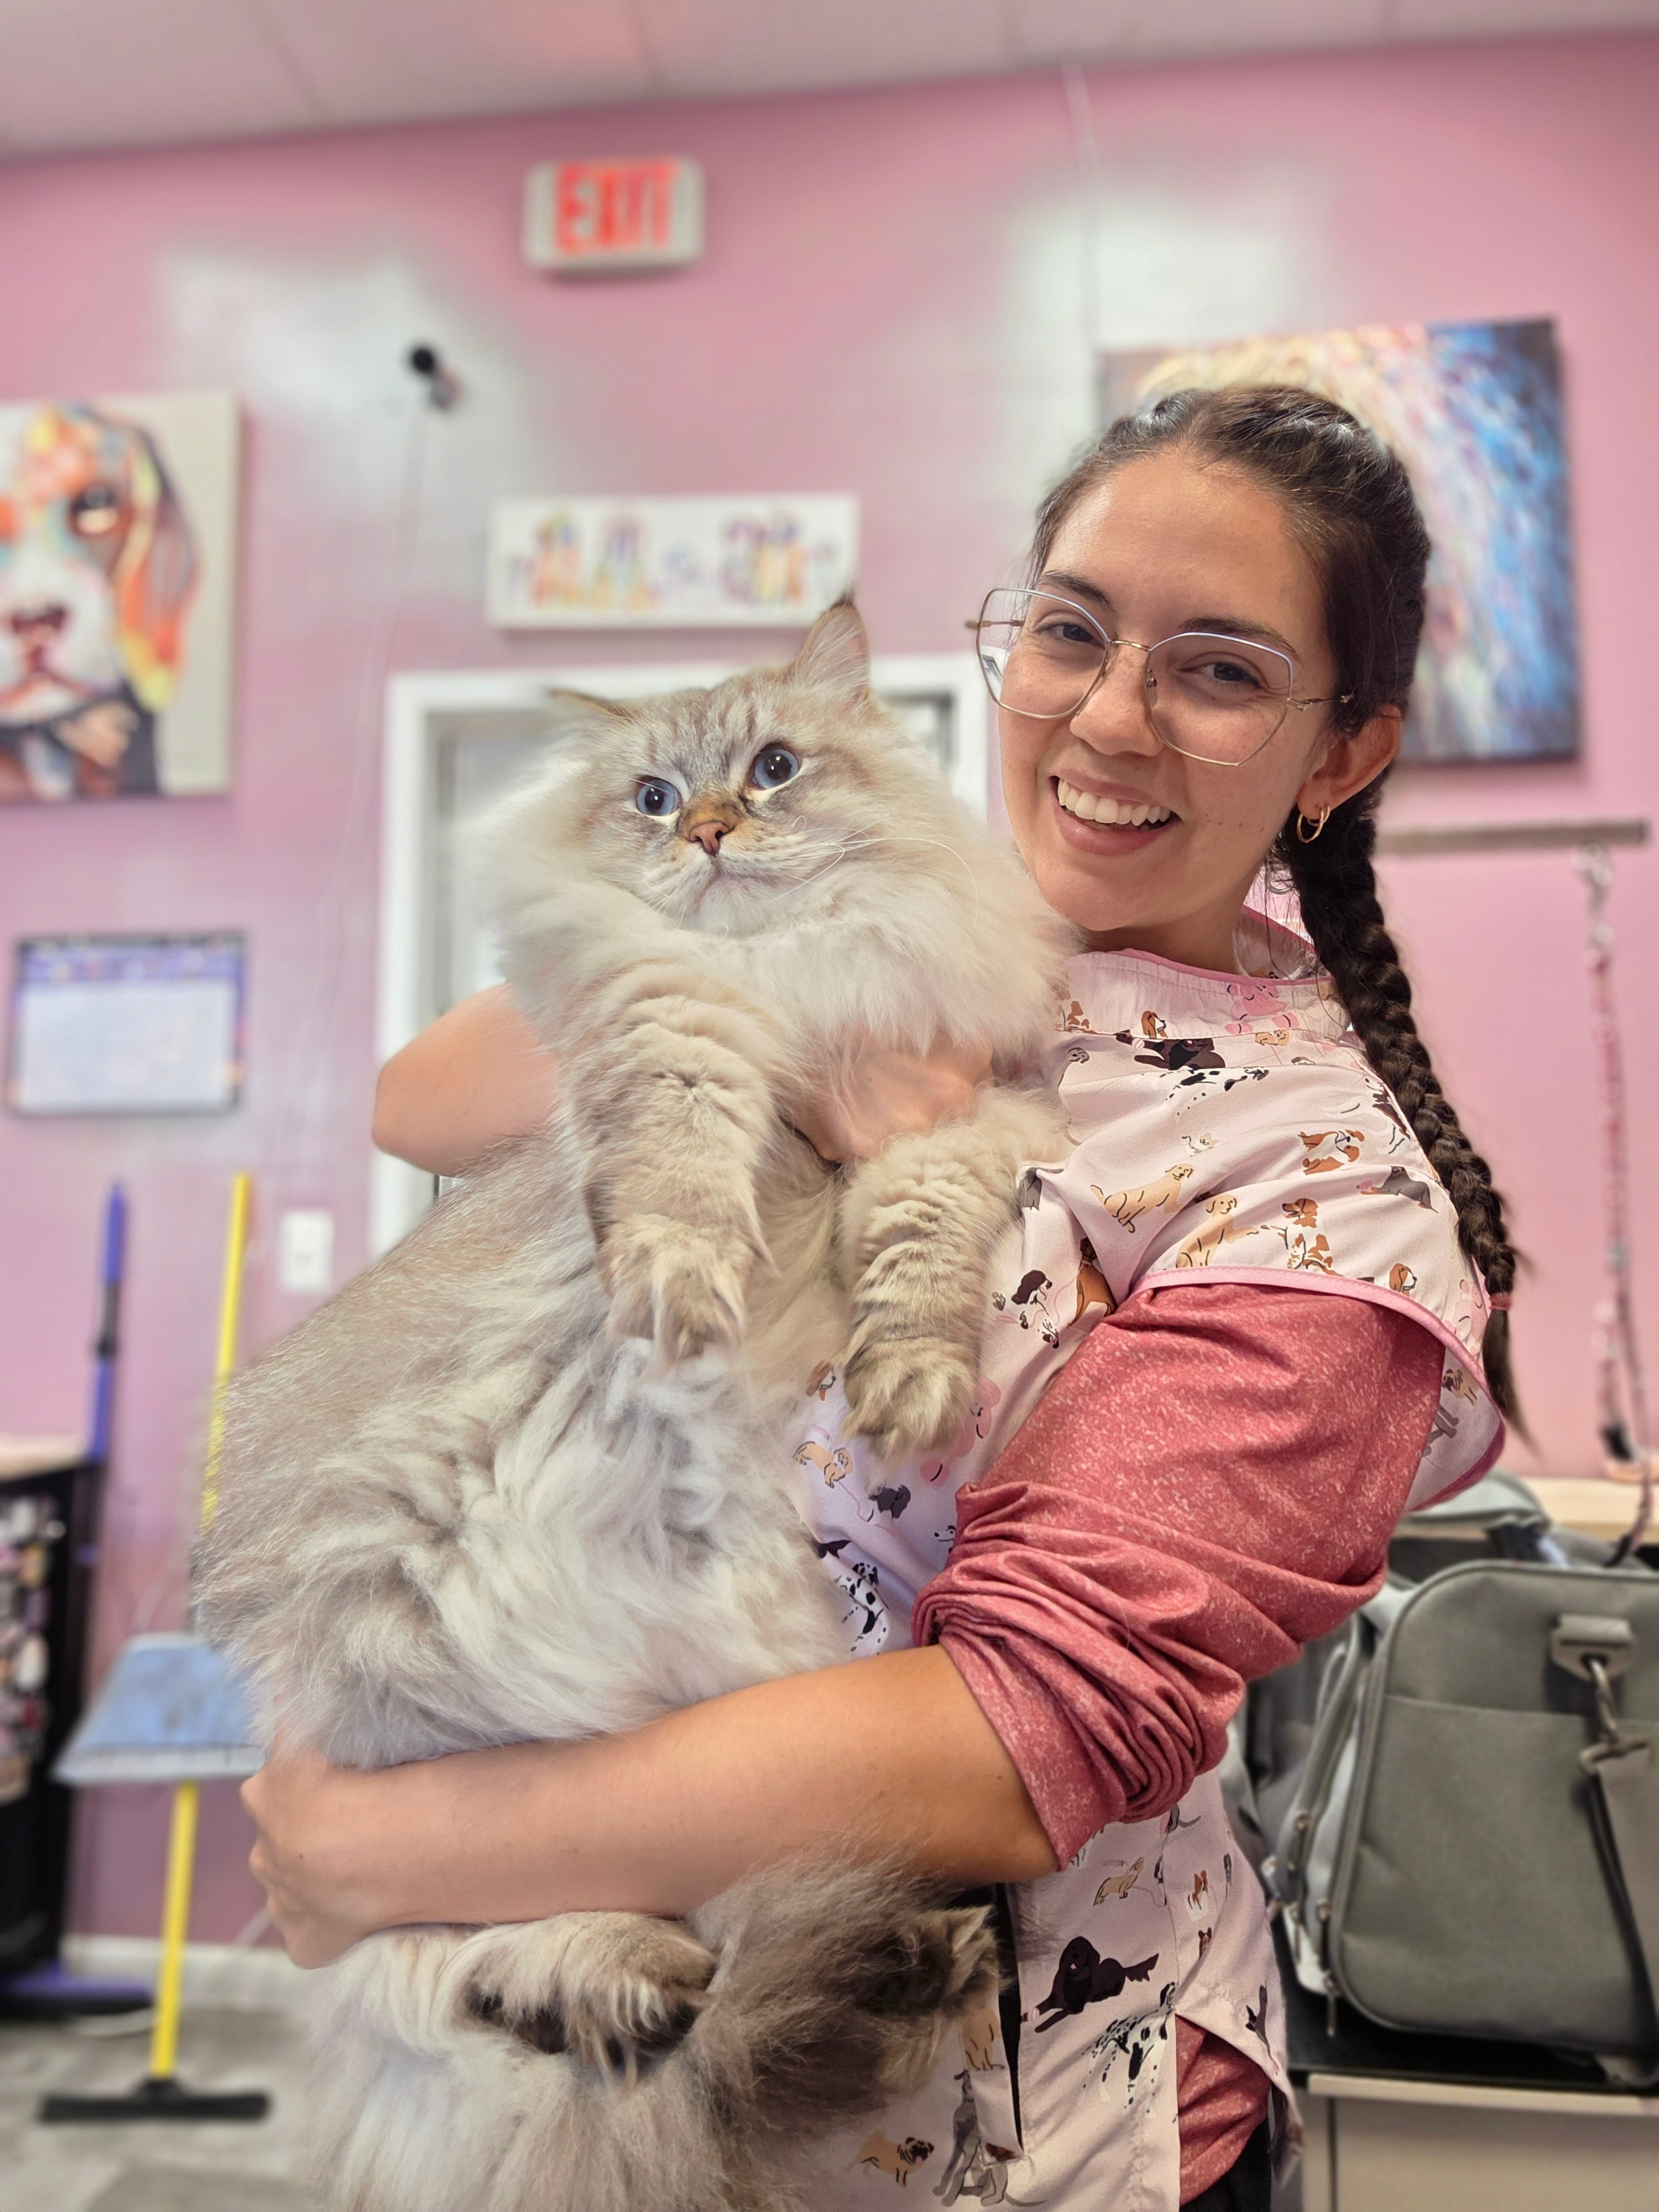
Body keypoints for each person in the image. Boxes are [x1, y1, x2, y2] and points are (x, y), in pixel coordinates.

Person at [243, 388, 1516, 2211]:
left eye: (1219, 671)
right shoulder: (908, 910)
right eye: (1070, 632)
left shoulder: (1326, 1201)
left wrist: (389, 1845)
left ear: (1344, 749)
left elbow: (1015, 1744)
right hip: (603, 2018)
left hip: (995, 2132)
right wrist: (813, 1046)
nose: (1107, 716)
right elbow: (422, 1093)